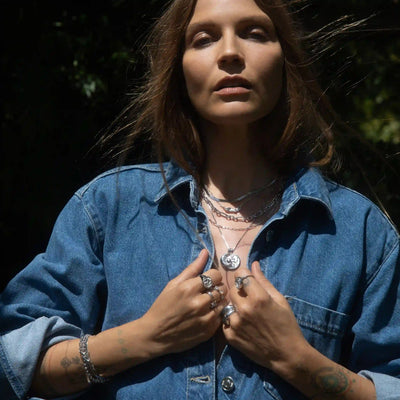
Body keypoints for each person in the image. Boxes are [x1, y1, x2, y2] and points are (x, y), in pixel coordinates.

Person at [1, 0, 399, 399]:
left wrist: (296, 360)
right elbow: (15, 365)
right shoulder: (106, 210)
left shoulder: (359, 233)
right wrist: (145, 336)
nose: (230, 52)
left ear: (284, 60)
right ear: (180, 69)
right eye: (204, 38)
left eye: (254, 33)